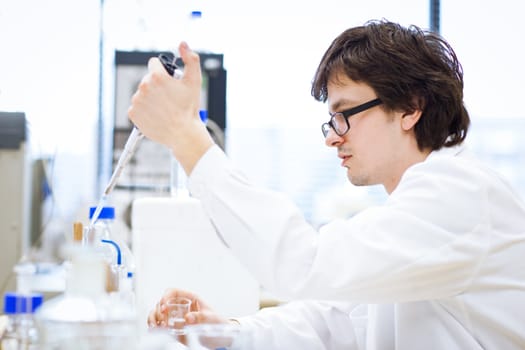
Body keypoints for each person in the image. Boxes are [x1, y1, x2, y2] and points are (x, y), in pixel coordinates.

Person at [128, 19, 525, 349]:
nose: (332, 137)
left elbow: (303, 263)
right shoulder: (419, 209)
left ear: (410, 108)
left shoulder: (459, 194)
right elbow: (339, 322)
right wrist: (225, 331)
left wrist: (186, 137)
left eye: (345, 114)